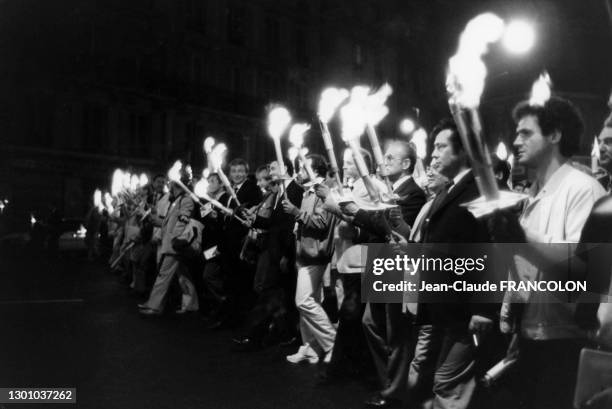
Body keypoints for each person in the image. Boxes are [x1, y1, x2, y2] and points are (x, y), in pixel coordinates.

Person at [503, 96, 606, 409]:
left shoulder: (583, 190)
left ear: (555, 135)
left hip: (566, 344)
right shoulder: (534, 196)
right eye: (516, 133)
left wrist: (522, 236)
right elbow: (525, 268)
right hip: (533, 336)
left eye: (526, 133)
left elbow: (578, 271)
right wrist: (515, 319)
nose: (515, 140)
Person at [409, 119, 494, 409]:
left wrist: (484, 308)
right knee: (443, 382)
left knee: (447, 383)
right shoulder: (450, 189)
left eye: (441, 147)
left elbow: (488, 248)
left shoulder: (477, 189)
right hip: (446, 307)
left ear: (462, 152)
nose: (433, 154)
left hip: (465, 308)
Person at [343, 141, 426, 408]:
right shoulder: (382, 189)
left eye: (391, 157)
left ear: (407, 164)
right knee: (371, 323)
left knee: (396, 332)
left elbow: (395, 229)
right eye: (385, 156)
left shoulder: (412, 194)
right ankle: (388, 381)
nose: (384, 160)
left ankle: (395, 392)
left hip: (397, 265)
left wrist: (358, 213)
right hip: (379, 261)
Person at [282, 154, 337, 364]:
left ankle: (332, 343)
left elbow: (322, 223)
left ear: (316, 171)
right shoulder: (308, 192)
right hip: (304, 253)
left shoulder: (323, 192)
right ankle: (310, 347)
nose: (298, 172)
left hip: (316, 254)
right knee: (308, 302)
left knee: (303, 301)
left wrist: (297, 213)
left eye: (303, 168)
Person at [139, 164, 200, 315]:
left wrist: (174, 240)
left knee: (163, 276)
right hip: (172, 243)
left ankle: (154, 306)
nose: (169, 186)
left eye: (171, 184)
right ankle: (192, 305)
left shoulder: (186, 200)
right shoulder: (176, 200)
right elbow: (168, 223)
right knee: (183, 275)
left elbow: (182, 221)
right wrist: (155, 220)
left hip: (175, 245)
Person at [213, 158, 262, 328]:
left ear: (246, 172)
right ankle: (229, 316)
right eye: (234, 171)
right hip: (227, 243)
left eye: (240, 171)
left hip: (240, 243)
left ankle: (238, 319)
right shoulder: (229, 191)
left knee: (240, 282)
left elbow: (252, 213)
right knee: (229, 281)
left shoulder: (252, 189)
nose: (237, 174)